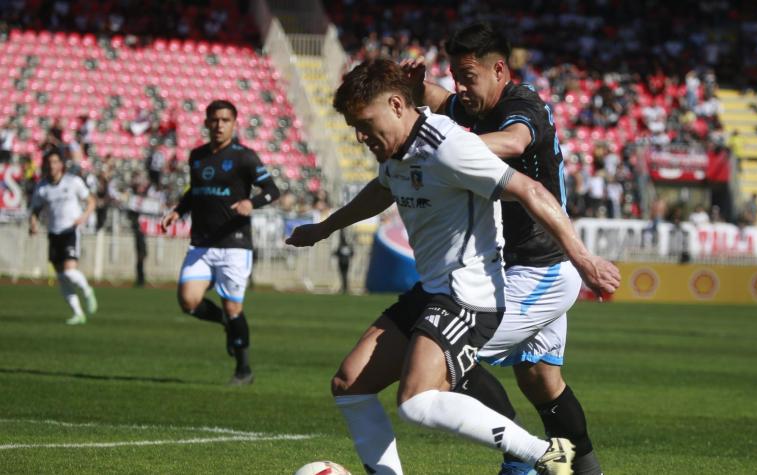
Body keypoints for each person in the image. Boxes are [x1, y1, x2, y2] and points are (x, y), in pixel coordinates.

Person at [287, 58, 619, 475]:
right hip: (432, 290)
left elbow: (529, 189)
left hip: (469, 294)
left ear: (394, 104)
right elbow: (381, 189)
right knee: (350, 384)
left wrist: (583, 258)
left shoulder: (448, 147)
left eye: (366, 124)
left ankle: (545, 456)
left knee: (418, 401)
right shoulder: (397, 150)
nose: (360, 137)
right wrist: (324, 227)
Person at [404, 23, 608, 474]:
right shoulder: (477, 104)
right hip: (524, 267)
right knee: (542, 381)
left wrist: (446, 150)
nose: (460, 86)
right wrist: (419, 88)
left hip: (541, 270)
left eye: (468, 76)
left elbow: (514, 142)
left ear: (500, 69)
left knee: (448, 352)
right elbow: (442, 101)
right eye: (455, 75)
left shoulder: (521, 106)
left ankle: (522, 462)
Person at [160, 100, 280, 385]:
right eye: (214, 120)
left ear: (234, 123)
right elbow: (195, 191)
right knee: (188, 301)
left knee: (233, 307)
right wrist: (178, 210)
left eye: (225, 120)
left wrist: (252, 202)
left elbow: (272, 190)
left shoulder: (245, 157)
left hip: (234, 244)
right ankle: (227, 326)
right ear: (206, 122)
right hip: (201, 243)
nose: (219, 125)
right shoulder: (197, 156)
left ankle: (244, 370)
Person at [28, 151, 97, 325]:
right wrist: (33, 223)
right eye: (49, 162)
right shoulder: (42, 187)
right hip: (54, 233)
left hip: (70, 231)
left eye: (55, 161)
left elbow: (91, 201)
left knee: (69, 272)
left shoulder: (72, 182)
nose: (52, 165)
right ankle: (78, 313)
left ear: (61, 164)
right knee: (61, 277)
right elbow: (35, 209)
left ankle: (87, 290)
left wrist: (84, 217)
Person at [334, 229, 354, 294]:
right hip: (347, 262)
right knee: (345, 275)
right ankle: (344, 287)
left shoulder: (341, 246)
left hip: (342, 262)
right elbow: (352, 253)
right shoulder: (348, 246)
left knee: (343, 275)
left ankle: (344, 287)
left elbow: (336, 253)